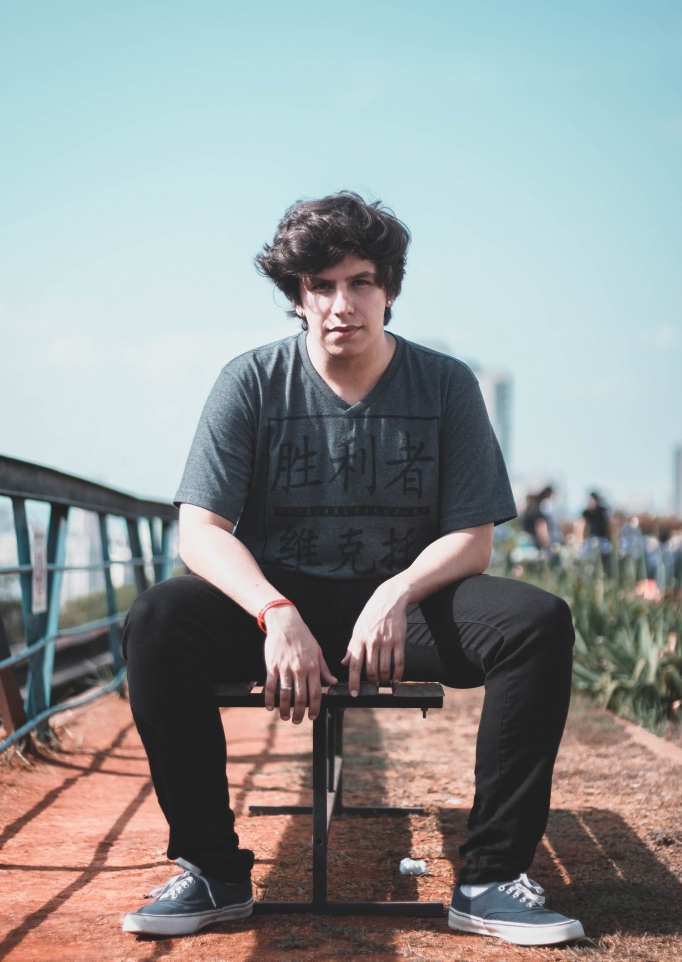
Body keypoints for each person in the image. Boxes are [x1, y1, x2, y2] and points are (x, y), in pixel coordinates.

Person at [121, 192, 585, 946]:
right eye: (322, 285)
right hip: (281, 607)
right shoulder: (251, 380)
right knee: (158, 618)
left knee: (537, 622)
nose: (343, 304)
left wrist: (397, 592)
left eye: (361, 282)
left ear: (389, 289)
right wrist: (275, 611)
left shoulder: (445, 384)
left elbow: (472, 540)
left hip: (408, 611)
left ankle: (491, 878)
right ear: (297, 296)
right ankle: (211, 870)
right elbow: (199, 533)